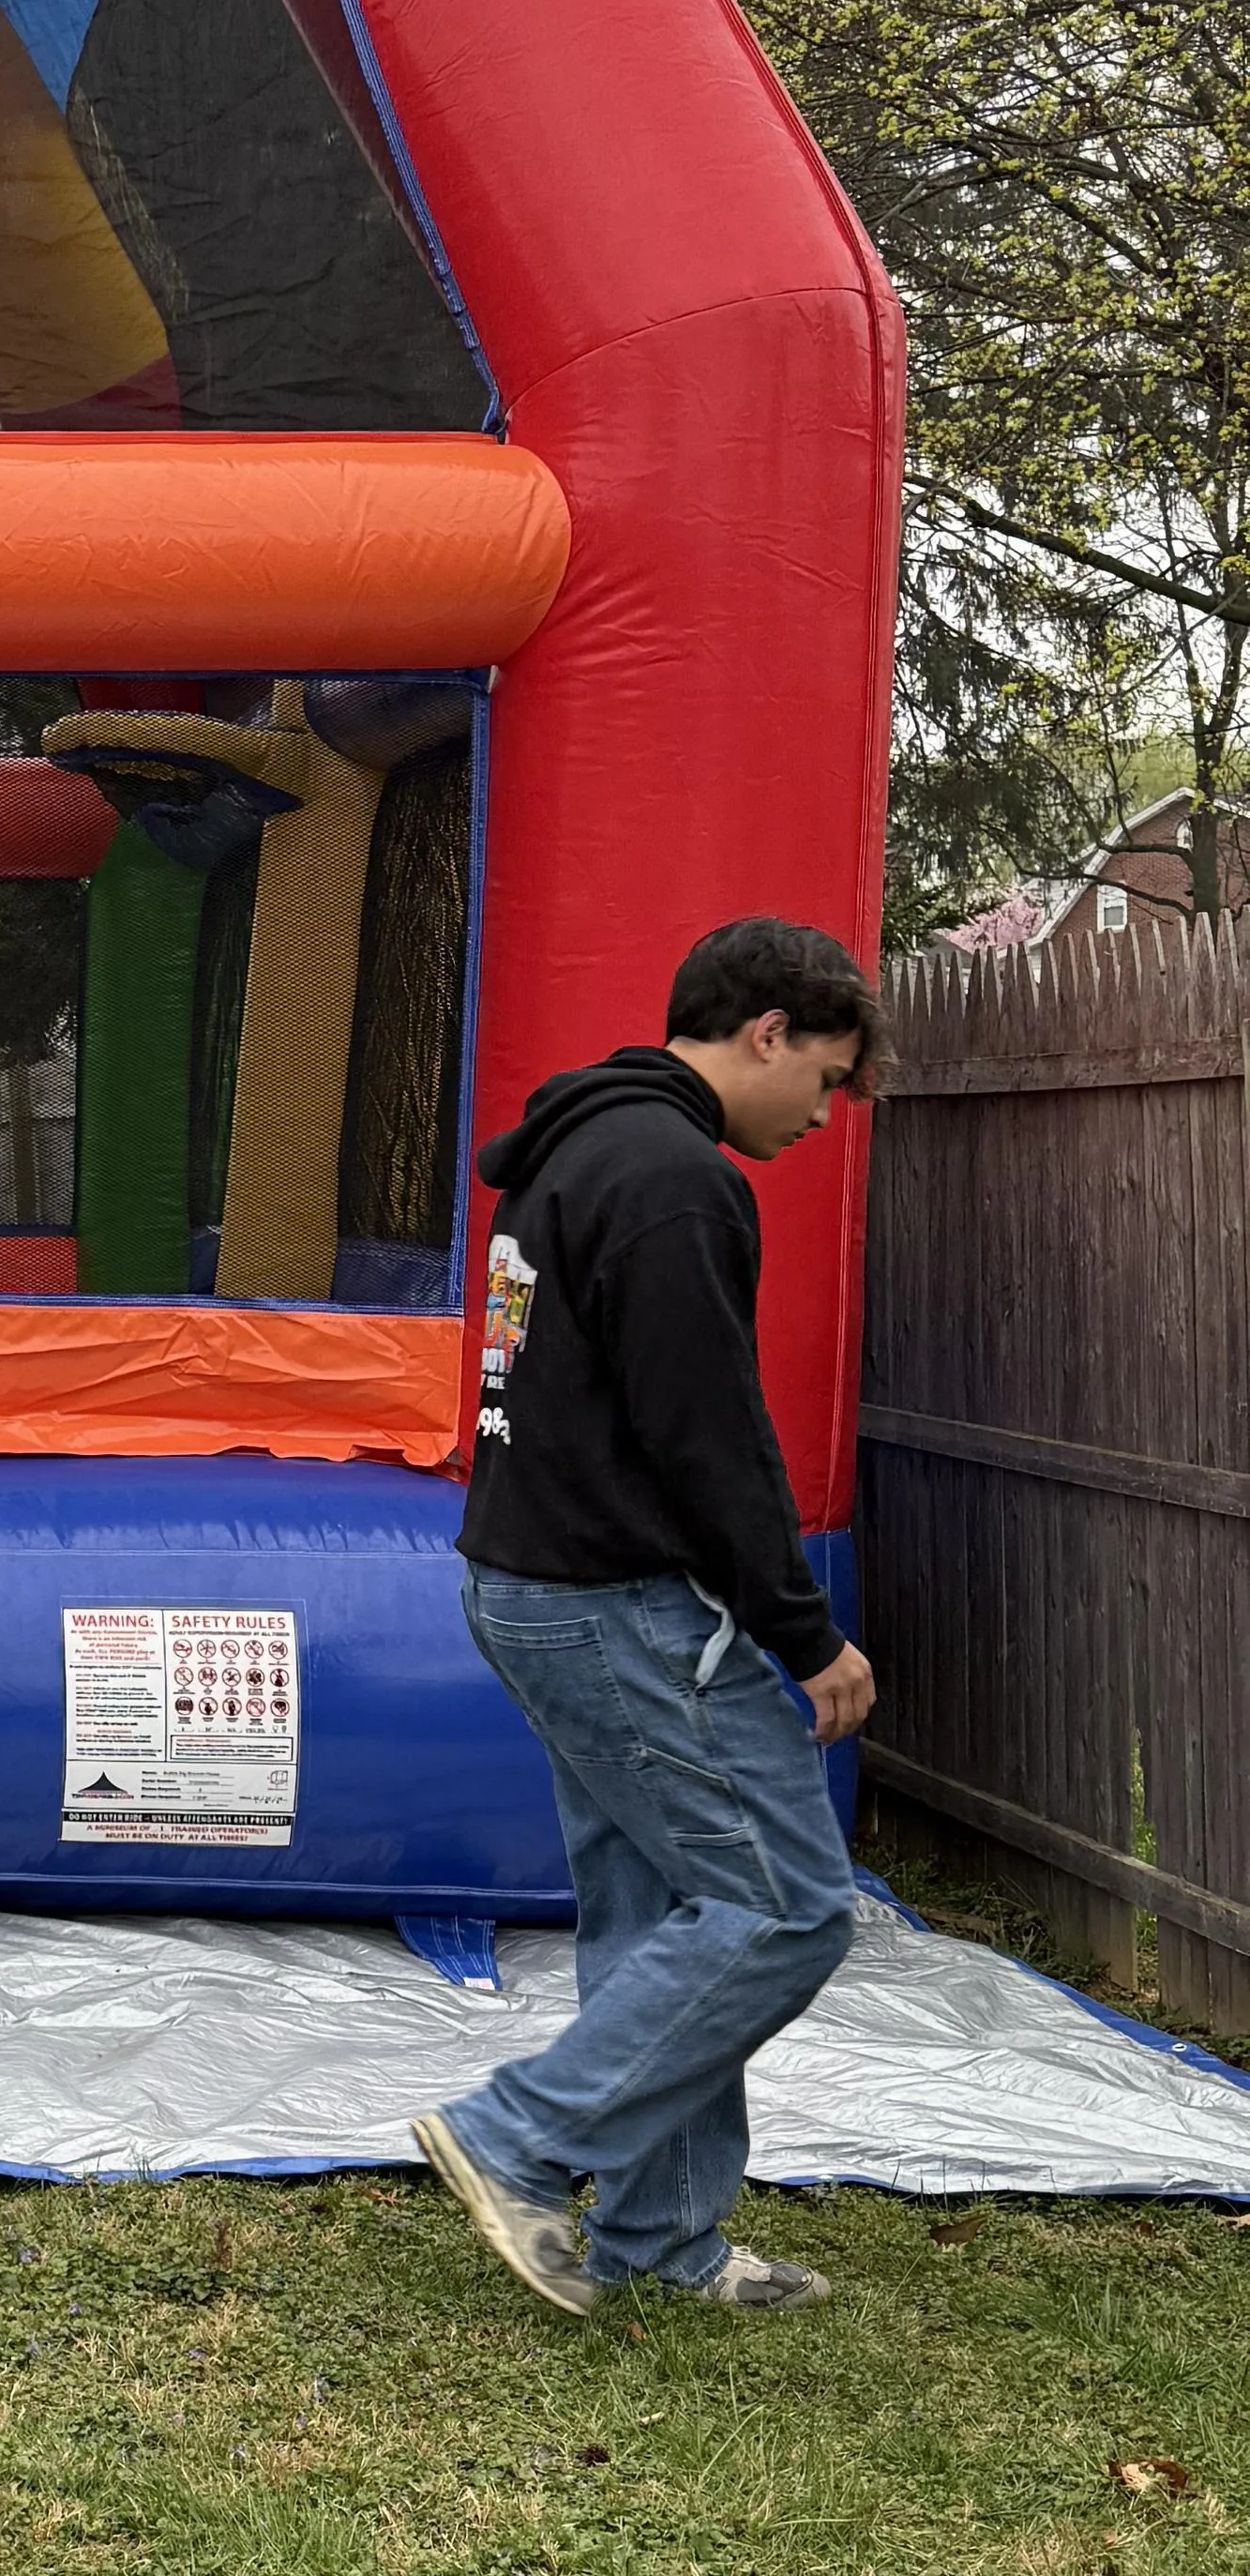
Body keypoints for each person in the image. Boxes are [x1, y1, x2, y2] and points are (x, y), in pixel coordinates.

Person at [412, 917, 882, 2318]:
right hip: (615, 1604)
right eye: (828, 1075)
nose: (826, 1108)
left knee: (663, 1909)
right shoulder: (676, 1180)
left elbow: (503, 1370)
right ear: (765, 1035)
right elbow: (711, 1439)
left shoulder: (560, 1154)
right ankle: (518, 2140)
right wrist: (806, 1633)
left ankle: (659, 2238)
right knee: (788, 1903)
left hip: (522, 1582)